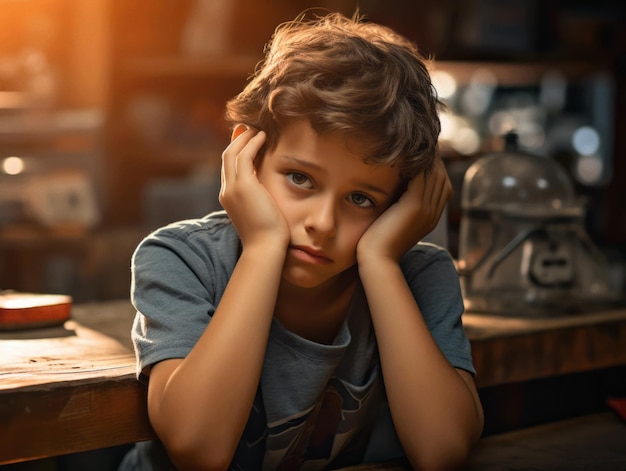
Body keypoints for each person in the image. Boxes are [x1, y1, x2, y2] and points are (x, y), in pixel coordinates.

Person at [119, 11, 483, 471]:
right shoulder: (181, 259)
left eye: (361, 198)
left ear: (402, 200)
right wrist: (264, 246)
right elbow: (199, 450)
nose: (323, 222)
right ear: (247, 156)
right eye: (300, 178)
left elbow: (443, 452)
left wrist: (380, 262)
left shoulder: (418, 275)